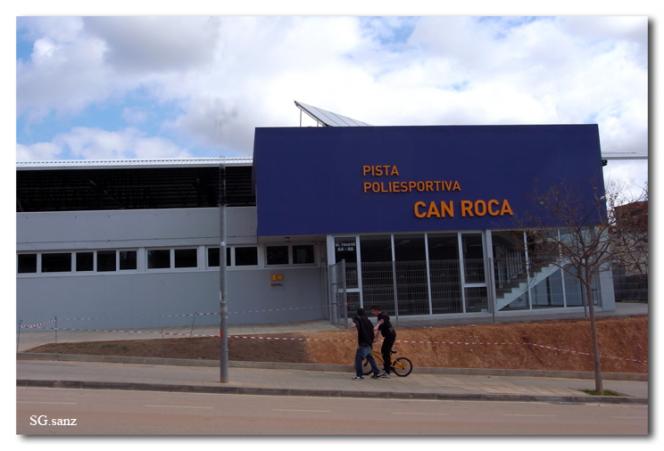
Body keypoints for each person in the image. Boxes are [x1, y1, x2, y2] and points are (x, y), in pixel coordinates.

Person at [351, 307, 383, 380]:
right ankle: (376, 372)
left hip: (363, 343)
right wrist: (373, 339)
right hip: (369, 343)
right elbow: (372, 330)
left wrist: (354, 324)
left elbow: (356, 324)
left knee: (358, 358)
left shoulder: (359, 319)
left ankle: (359, 375)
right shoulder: (368, 321)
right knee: (370, 358)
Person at [370, 305, 396, 376]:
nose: (372, 313)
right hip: (388, 336)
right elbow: (379, 329)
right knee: (383, 351)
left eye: (372, 311)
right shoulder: (379, 316)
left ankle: (387, 371)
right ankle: (388, 366)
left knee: (385, 352)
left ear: (376, 310)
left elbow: (382, 321)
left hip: (390, 336)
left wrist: (377, 325)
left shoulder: (383, 314)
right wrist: (376, 338)